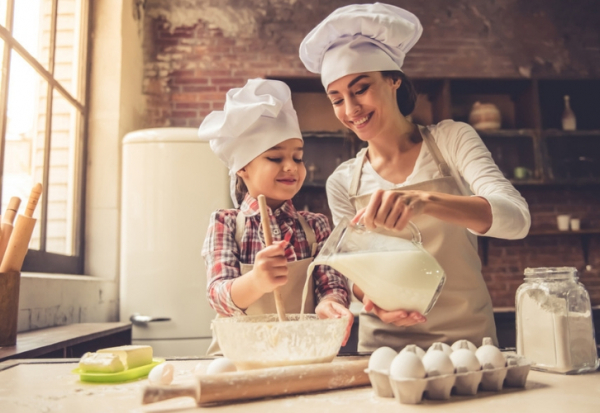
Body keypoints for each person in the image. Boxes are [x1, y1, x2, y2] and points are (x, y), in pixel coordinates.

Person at [299, 3, 531, 352]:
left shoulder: (452, 140)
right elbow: (355, 276)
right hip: (381, 349)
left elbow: (517, 220)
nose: (350, 110)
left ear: (393, 80)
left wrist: (425, 201)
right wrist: (374, 304)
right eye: (337, 99)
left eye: (360, 89)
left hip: (467, 344)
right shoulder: (343, 181)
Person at [198, 78, 352, 355]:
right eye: (275, 158)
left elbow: (332, 281)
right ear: (243, 167)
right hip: (241, 356)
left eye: (297, 157)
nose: (290, 167)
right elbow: (218, 297)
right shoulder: (226, 223)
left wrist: (330, 301)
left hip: (303, 351)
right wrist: (256, 280)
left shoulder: (316, 225)